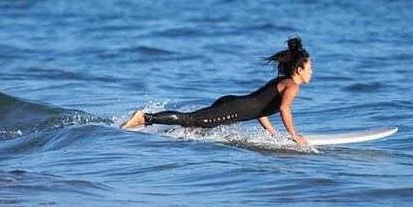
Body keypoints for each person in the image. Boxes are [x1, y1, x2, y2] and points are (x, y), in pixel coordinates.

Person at [121, 37, 313, 145]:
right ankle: (146, 118)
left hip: (232, 102)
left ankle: (157, 131)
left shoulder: (281, 81)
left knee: (194, 126)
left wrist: (273, 133)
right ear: (299, 70)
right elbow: (284, 109)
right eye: (309, 67)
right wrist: (294, 135)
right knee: (190, 120)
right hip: (234, 108)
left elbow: (260, 108)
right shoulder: (292, 86)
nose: (311, 71)